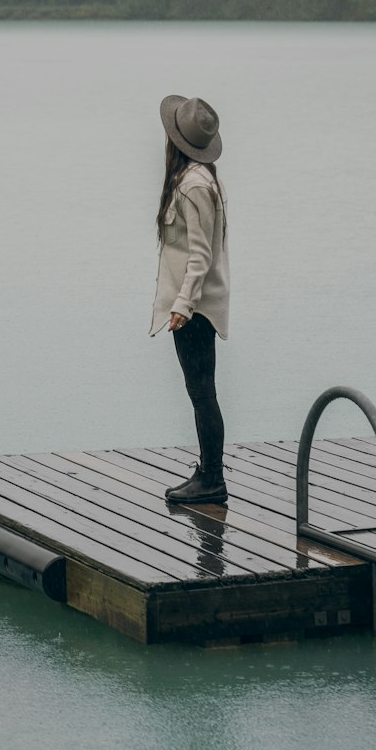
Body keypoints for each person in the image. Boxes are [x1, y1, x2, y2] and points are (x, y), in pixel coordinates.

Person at [150, 94, 230, 504]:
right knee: (201, 392)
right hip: (192, 305)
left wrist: (182, 305)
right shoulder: (196, 180)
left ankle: (212, 479)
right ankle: (209, 472)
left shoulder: (194, 185)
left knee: (202, 393)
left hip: (195, 308)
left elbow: (200, 254)